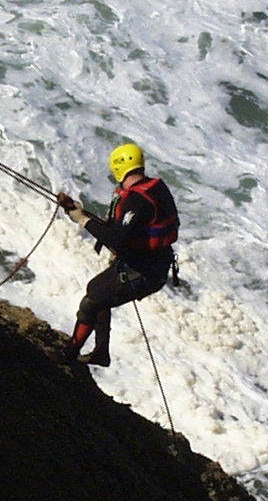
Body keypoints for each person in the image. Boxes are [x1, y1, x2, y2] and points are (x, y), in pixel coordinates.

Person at [56, 142, 179, 366]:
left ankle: (69, 353)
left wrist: (82, 220)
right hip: (154, 265)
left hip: (144, 271)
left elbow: (115, 239)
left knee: (93, 295)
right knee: (102, 293)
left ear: (118, 168)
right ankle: (101, 353)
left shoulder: (136, 200)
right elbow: (121, 229)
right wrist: (77, 210)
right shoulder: (154, 188)